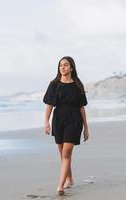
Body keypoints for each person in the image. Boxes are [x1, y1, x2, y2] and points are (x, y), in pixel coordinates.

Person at [43, 56, 89, 195]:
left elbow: (82, 107)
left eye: (66, 65)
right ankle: (70, 179)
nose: (62, 67)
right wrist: (46, 122)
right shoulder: (54, 85)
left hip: (74, 120)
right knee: (62, 154)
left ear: (71, 68)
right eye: (60, 65)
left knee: (66, 153)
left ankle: (60, 186)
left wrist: (86, 127)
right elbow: (49, 105)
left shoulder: (77, 85)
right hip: (58, 120)